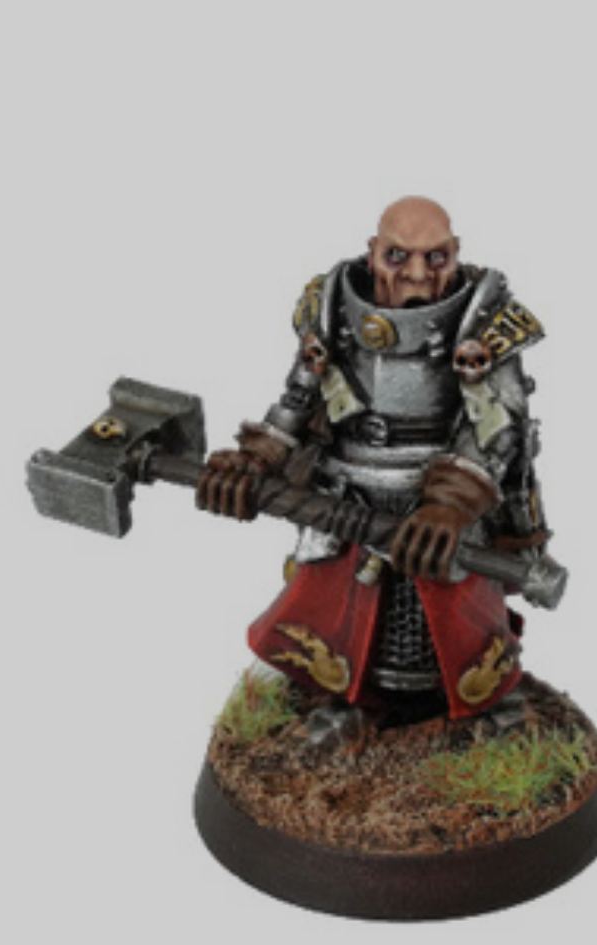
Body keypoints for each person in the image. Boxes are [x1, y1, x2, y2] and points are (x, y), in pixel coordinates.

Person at [197, 198, 549, 730]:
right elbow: (299, 398)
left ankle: (485, 706)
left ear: (456, 253)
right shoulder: (328, 308)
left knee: (458, 616)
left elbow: (496, 425)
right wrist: (256, 459)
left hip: (442, 502)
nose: (417, 275)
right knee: (339, 609)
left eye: (436, 258)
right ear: (372, 252)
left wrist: (451, 505)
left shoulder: (486, 319)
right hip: (347, 494)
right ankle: (351, 703)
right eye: (397, 256)